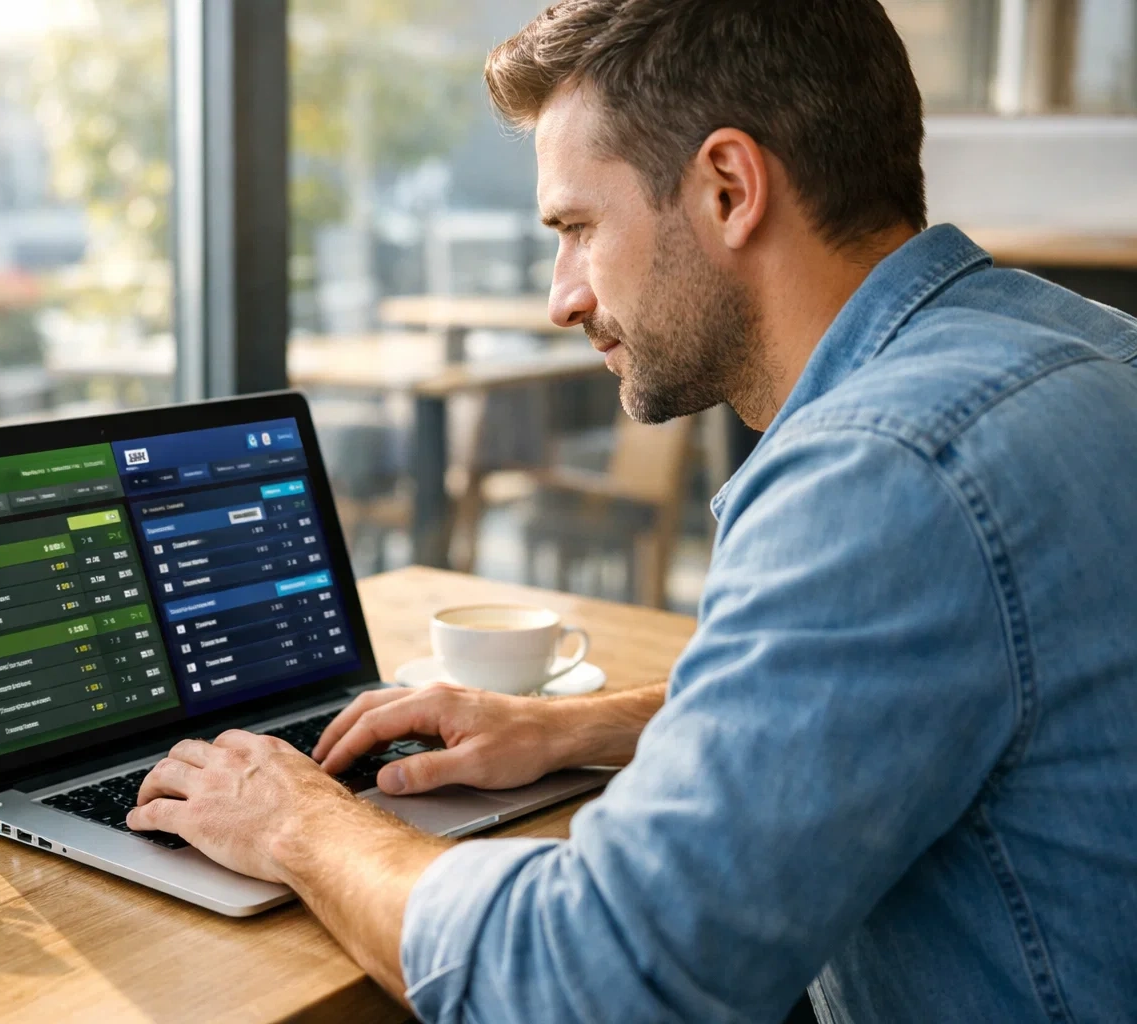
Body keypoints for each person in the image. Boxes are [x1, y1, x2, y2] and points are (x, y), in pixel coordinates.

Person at [128, 0, 1137, 1019]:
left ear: (729, 188)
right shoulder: (1084, 346)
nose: (562, 296)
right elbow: (903, 687)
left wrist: (301, 823)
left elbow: (599, 982)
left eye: (576, 228)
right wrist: (571, 727)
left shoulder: (882, 473)